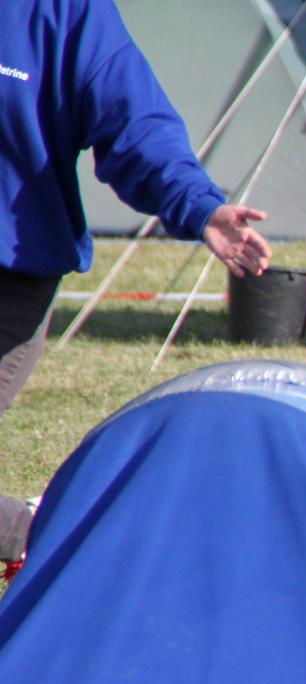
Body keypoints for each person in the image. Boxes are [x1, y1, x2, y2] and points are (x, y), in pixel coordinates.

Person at [0, 0, 273, 568]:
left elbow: (133, 123)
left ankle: (62, 541)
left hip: (13, 279)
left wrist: (199, 207)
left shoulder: (65, 13)